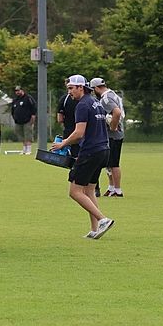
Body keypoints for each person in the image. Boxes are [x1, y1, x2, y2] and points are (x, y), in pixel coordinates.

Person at [50, 75, 114, 239]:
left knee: (75, 191)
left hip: (90, 151)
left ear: (81, 88)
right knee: (89, 190)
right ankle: (95, 229)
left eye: (71, 88)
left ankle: (102, 219)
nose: (69, 92)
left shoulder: (82, 105)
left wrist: (63, 144)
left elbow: (79, 133)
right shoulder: (95, 102)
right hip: (103, 150)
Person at [90, 78, 124, 197]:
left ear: (96, 88)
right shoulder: (113, 94)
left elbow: (117, 112)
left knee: (114, 163)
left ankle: (118, 190)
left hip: (113, 135)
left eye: (93, 89)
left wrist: (113, 127)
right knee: (109, 163)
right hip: (115, 134)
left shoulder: (105, 99)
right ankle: (112, 187)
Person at [10, 86, 36, 155]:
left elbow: (33, 107)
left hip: (27, 120)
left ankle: (29, 150)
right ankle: (24, 149)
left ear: (22, 90)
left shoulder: (28, 98)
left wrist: (33, 117)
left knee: (28, 135)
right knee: (21, 135)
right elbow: (12, 110)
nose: (17, 92)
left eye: (18, 90)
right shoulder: (15, 100)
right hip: (18, 121)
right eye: (16, 91)